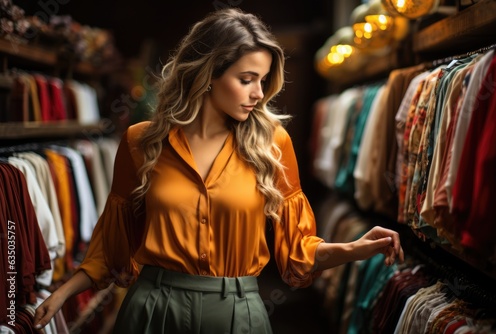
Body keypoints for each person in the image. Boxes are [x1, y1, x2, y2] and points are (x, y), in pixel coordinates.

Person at [34, 7, 404, 333]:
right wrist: (61, 294)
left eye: (262, 79)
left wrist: (354, 248)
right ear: (208, 73)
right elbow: (111, 247)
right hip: (152, 309)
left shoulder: (273, 144)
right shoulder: (141, 142)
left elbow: (298, 252)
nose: (259, 93)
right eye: (247, 79)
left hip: (237, 313)